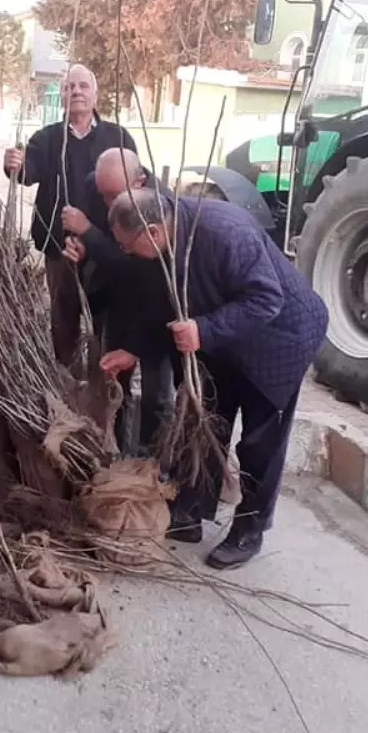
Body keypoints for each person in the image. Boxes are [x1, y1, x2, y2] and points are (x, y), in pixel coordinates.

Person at [103, 188, 328, 569]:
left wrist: (204, 330)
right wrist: (134, 349)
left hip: (277, 341)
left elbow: (266, 300)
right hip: (223, 342)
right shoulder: (164, 243)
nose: (125, 252)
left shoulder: (225, 231)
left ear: (153, 231)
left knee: (260, 442)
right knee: (203, 422)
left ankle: (249, 529)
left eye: (127, 246)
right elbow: (160, 299)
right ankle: (190, 511)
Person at [3, 65, 136, 366]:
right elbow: (27, 171)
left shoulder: (118, 137)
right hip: (59, 249)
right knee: (63, 321)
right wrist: (14, 163)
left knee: (106, 323)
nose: (76, 91)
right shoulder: (47, 139)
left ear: (95, 95)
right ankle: (68, 385)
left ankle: (103, 386)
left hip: (105, 248)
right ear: (62, 95)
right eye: (69, 87)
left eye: (83, 86)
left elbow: (135, 187)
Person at [60, 148, 173, 454]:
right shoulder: (95, 186)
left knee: (156, 390)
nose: (106, 203)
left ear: (139, 183)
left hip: (156, 302)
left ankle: (151, 460)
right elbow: (91, 236)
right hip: (118, 298)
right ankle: (115, 448)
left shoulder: (160, 207)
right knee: (114, 381)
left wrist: (89, 233)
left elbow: (133, 266)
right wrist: (80, 246)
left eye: (114, 195)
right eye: (103, 195)